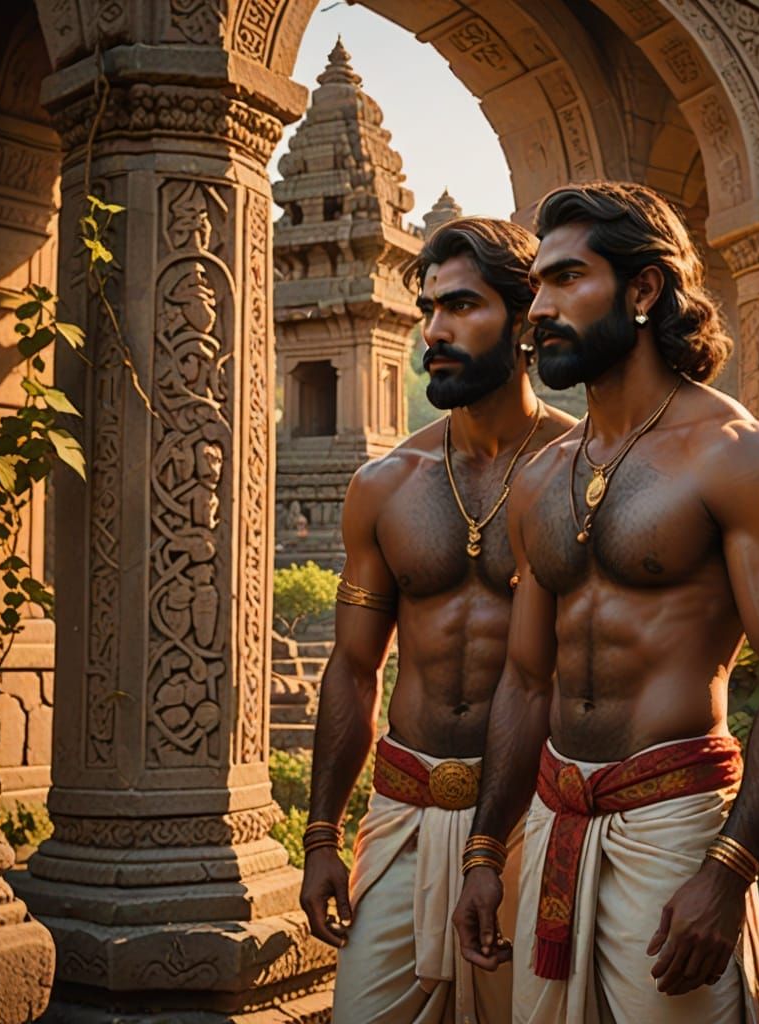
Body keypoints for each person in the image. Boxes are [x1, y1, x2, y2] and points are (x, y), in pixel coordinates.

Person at [452, 182, 759, 1024]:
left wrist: (727, 869)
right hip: (554, 822)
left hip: (674, 833)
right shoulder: (542, 475)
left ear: (642, 290)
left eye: (564, 281)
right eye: (535, 287)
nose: (536, 309)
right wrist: (485, 848)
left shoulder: (733, 456)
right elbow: (522, 682)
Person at [299, 217, 576, 1024]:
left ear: (527, 318)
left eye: (460, 306)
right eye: (427, 309)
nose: (434, 330)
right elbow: (353, 669)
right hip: (402, 812)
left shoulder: (579, 473)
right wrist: (320, 836)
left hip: (536, 817)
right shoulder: (386, 484)